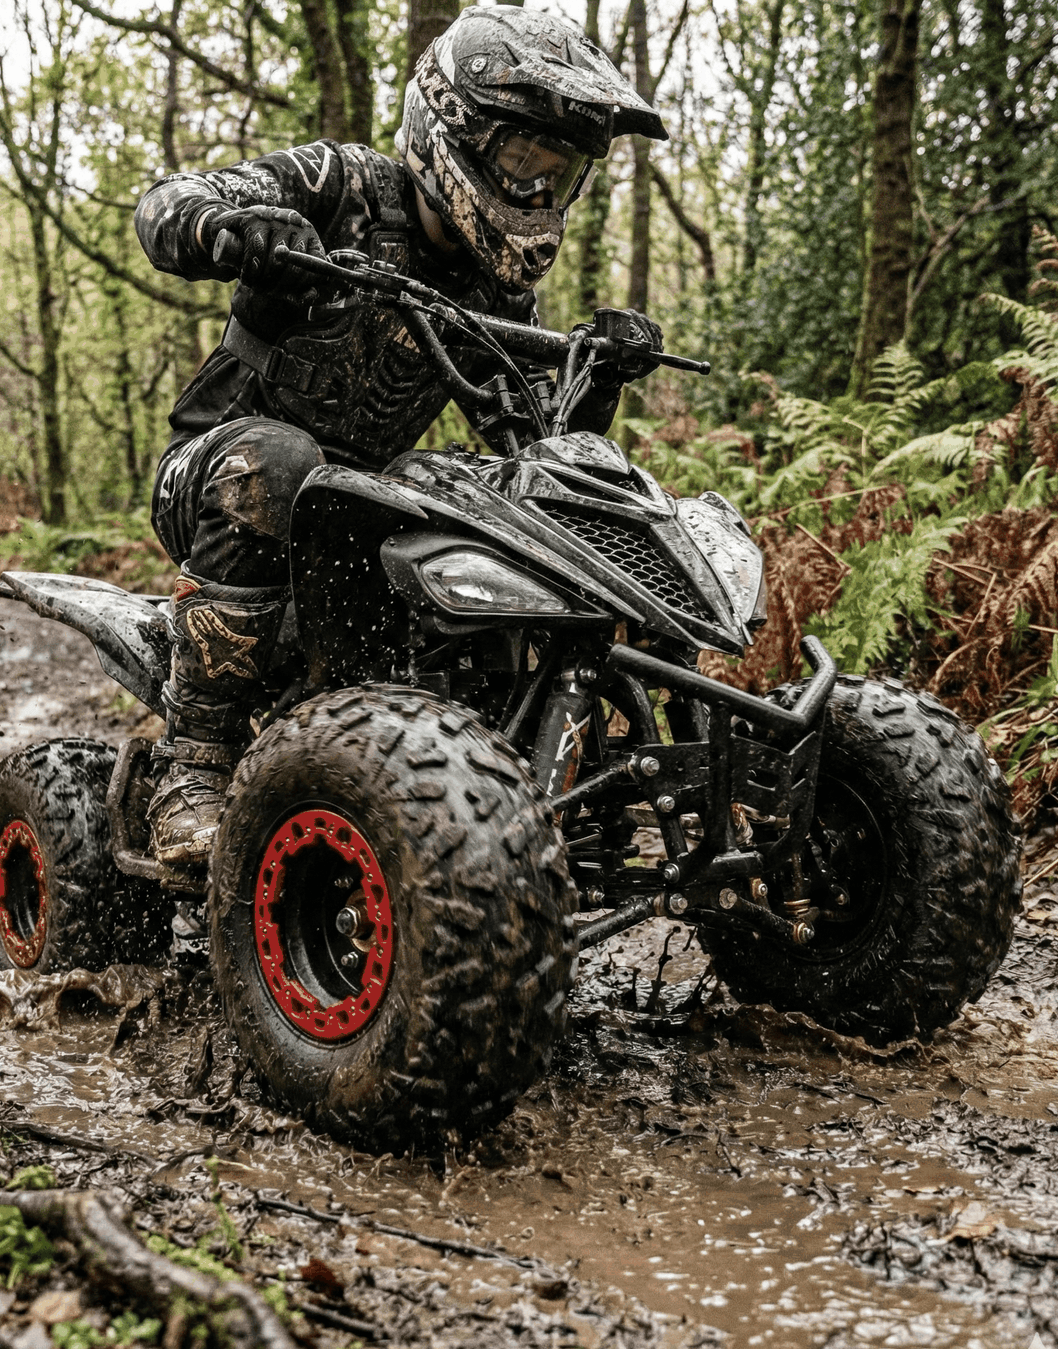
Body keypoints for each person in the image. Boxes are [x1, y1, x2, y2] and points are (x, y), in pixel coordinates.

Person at [133, 3, 666, 890]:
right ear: (451, 127)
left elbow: (535, 447)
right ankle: (189, 764)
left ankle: (494, 775)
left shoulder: (495, 291)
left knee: (480, 505)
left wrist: (596, 376)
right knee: (279, 459)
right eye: (519, 162)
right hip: (215, 474)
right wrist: (239, 228)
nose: (534, 192)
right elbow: (166, 206)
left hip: (354, 505)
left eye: (555, 172)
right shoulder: (340, 185)